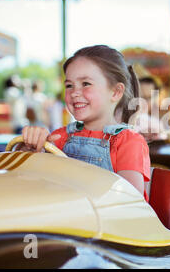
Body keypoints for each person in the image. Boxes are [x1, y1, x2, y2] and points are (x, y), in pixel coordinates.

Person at [20, 45, 150, 201]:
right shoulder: (59, 137)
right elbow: (33, 183)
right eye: (69, 85)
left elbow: (130, 202)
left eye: (86, 84)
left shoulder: (128, 141)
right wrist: (30, 149)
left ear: (115, 92)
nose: (74, 92)